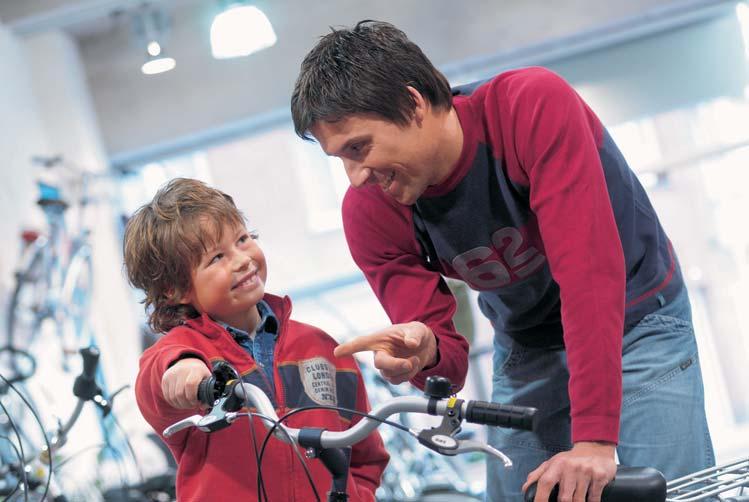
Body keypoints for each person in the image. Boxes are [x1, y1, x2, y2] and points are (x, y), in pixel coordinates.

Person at [290, 20, 715, 502]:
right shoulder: (371, 211)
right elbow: (446, 364)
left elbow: (588, 278)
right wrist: (425, 352)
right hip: (529, 341)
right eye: (339, 159)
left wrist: (594, 440)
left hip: (638, 315)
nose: (355, 176)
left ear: (413, 103)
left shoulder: (529, 108)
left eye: (358, 148)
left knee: (678, 493)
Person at [124, 178, 388, 501]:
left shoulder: (320, 347)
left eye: (243, 239)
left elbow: (365, 455)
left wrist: (356, 496)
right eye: (217, 258)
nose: (242, 259)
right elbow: (156, 379)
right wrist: (184, 370)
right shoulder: (184, 354)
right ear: (175, 289)